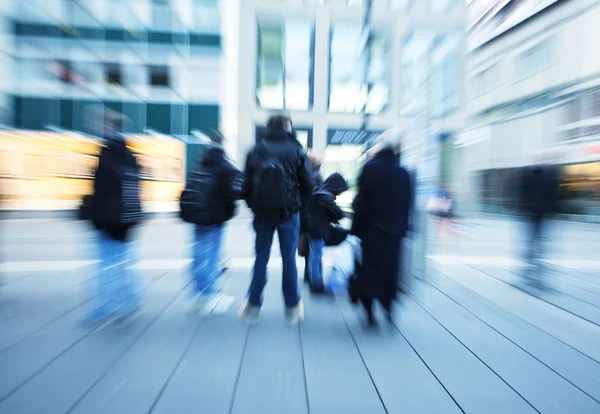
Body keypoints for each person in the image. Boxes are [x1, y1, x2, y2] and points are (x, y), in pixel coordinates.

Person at [239, 114, 313, 324]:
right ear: (287, 127)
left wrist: (255, 206)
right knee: (288, 258)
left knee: (260, 257)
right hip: (288, 213)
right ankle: (292, 307)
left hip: (262, 213)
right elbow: (308, 184)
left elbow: (245, 186)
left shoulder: (256, 149)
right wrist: (299, 205)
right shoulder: (296, 149)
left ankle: (253, 304)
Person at [87, 112, 142, 326]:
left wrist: (94, 217)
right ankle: (128, 301)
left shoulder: (105, 156)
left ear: (109, 129)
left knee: (106, 263)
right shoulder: (131, 156)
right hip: (127, 219)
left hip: (107, 219)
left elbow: (99, 191)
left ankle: (105, 308)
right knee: (122, 262)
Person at [351, 132, 411, 327]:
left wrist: (356, 229)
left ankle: (369, 311)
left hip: (372, 230)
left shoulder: (369, 169)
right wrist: (403, 229)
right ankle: (388, 309)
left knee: (370, 269)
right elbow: (408, 205)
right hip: (394, 234)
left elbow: (361, 203)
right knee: (390, 271)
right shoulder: (403, 172)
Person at [180, 134, 243, 314]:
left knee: (198, 253)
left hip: (198, 215)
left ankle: (199, 291)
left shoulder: (200, 163)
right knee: (212, 256)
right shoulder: (224, 165)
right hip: (215, 217)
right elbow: (238, 190)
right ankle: (210, 294)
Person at [304, 172, 349, 294]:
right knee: (316, 256)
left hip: (314, 228)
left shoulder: (318, 192)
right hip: (319, 230)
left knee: (315, 255)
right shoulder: (325, 196)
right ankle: (316, 285)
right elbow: (339, 213)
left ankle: (314, 282)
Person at [520, 158, 559, 285]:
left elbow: (523, 193)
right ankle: (535, 258)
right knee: (539, 238)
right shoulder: (548, 178)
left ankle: (530, 258)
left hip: (532, 212)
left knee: (532, 238)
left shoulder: (530, 177)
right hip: (542, 213)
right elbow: (553, 195)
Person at [301, 152, 324, 284]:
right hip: (314, 217)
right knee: (315, 249)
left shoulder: (307, 175)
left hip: (306, 216)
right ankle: (314, 278)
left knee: (309, 247)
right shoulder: (317, 176)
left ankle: (308, 274)